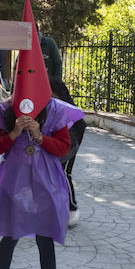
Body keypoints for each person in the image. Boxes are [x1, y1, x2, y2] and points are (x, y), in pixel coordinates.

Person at [0, 0, 83, 269]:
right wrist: (13, 134)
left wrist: (39, 135)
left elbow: (63, 148)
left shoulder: (56, 110)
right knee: (11, 233)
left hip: (46, 182)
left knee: (45, 238)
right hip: (15, 180)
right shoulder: (7, 110)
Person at [49, 76, 86, 227]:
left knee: (65, 172)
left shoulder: (66, 104)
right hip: (60, 138)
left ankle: (72, 208)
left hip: (73, 136)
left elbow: (77, 125)